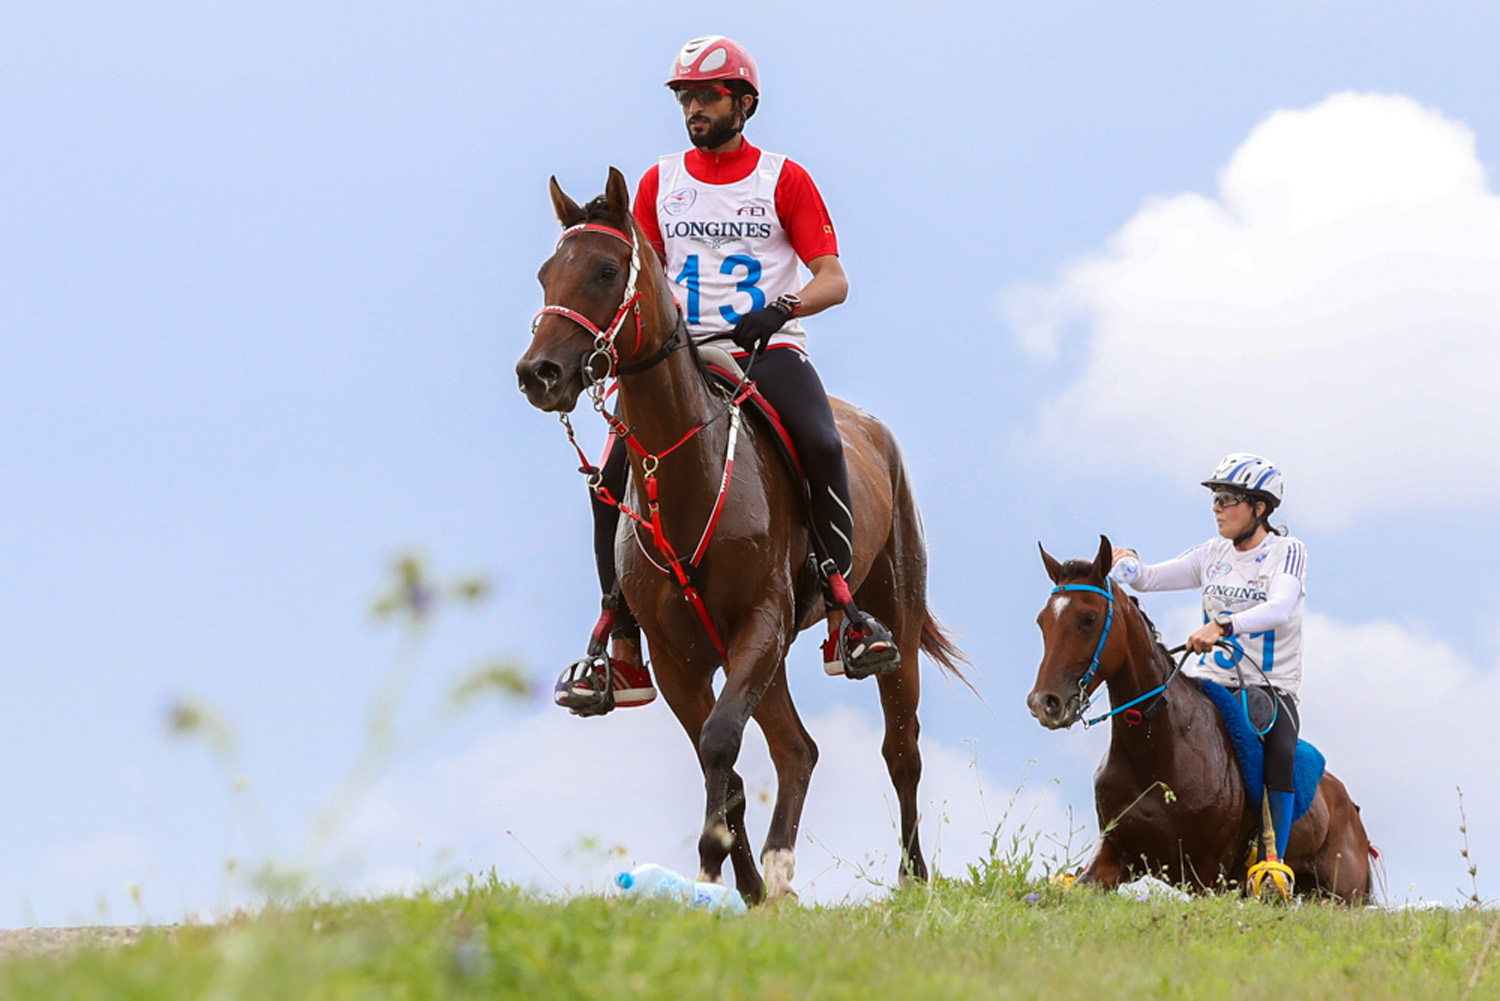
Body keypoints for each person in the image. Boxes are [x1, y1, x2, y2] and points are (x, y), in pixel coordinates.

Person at [554, 35, 897, 715]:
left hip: (767, 347)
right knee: (609, 481)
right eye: (685, 97)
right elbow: (636, 282)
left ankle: (842, 607)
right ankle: (618, 643)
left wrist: (781, 308)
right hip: (680, 358)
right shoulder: (658, 183)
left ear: (743, 102)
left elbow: (835, 279)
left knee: (822, 442)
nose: (694, 109)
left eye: (706, 96)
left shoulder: (784, 179)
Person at [1111, 453, 1307, 889]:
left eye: (1227, 498)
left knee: (1280, 752)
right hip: (1212, 683)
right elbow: (1149, 579)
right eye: (1215, 498)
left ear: (1259, 508)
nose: (1216, 506)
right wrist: (1128, 565)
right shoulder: (1212, 553)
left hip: (1269, 688)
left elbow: (1279, 607)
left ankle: (1272, 859)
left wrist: (1223, 625)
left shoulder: (1286, 552)